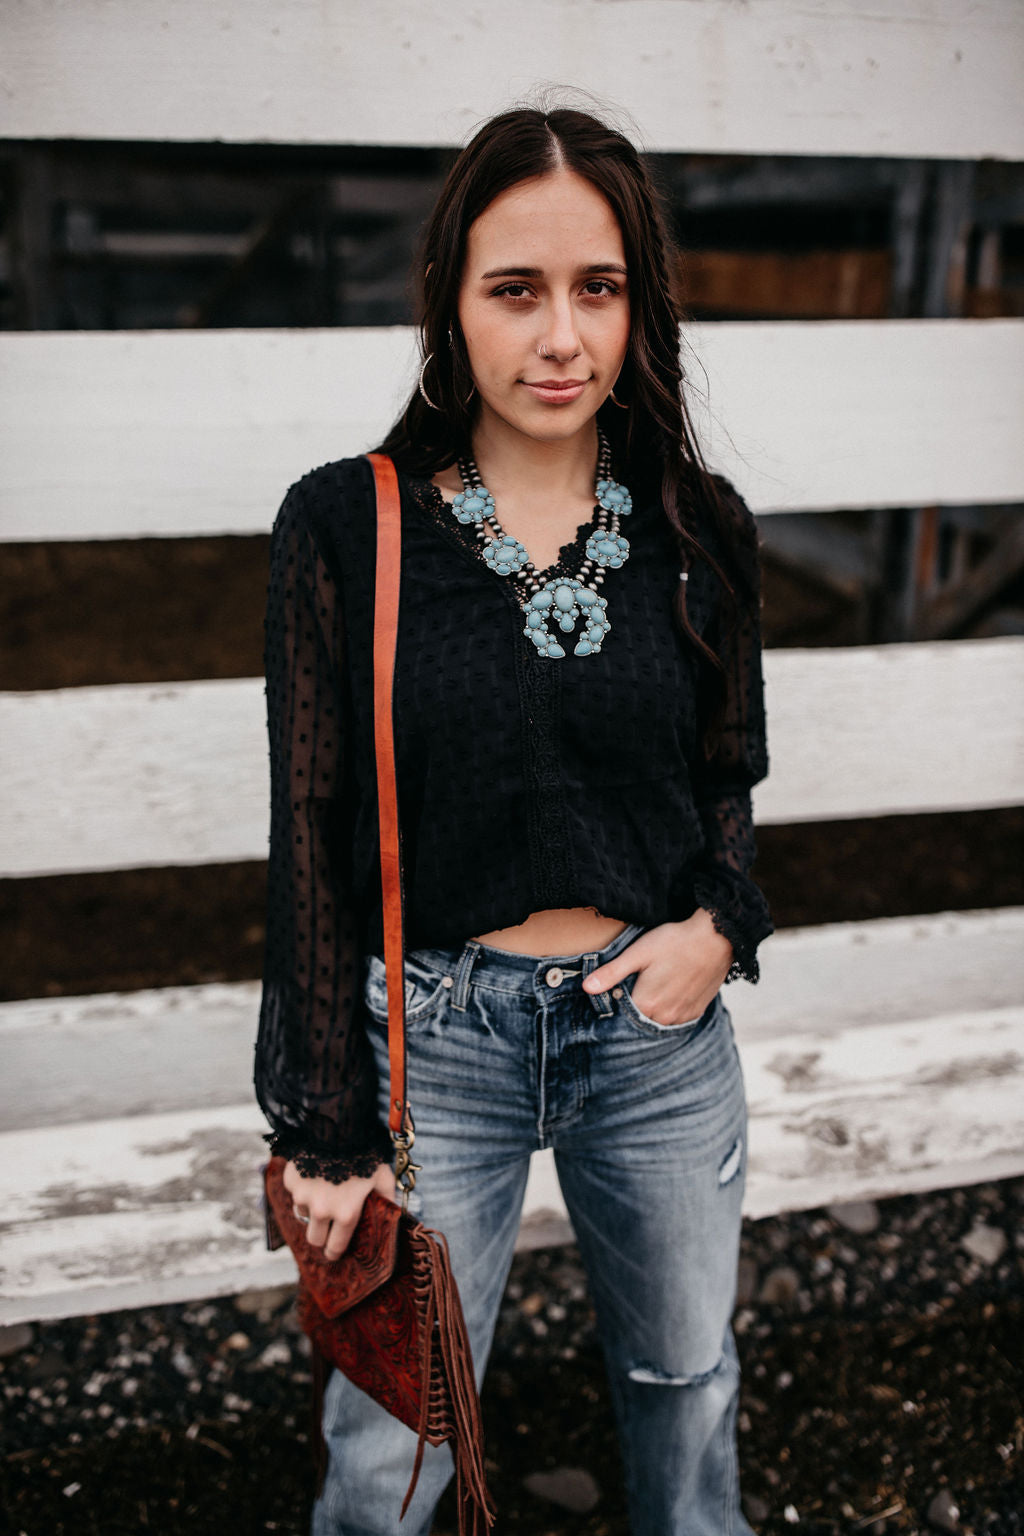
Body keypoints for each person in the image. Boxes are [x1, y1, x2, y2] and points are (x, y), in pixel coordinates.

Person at [256, 103, 773, 1536]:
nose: (562, 336)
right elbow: (308, 836)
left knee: (686, 1384)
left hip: (654, 1043)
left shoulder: (698, 524)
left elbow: (728, 777)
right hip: (434, 1051)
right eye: (517, 290)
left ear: (640, 307)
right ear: (451, 304)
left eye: (597, 289)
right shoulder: (345, 529)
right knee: (389, 1448)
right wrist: (325, 1124)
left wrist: (715, 931)